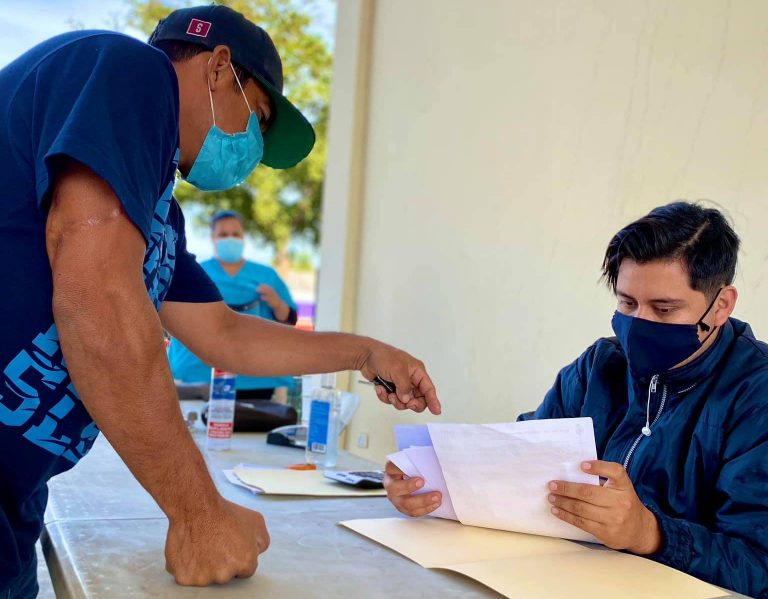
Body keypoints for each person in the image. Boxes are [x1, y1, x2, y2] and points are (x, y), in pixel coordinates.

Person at [0, 5, 440, 597]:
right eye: (255, 116)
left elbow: (221, 334)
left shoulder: (157, 215)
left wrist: (364, 353)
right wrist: (199, 514)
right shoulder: (125, 69)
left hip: (14, 503)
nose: (251, 149)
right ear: (218, 69)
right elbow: (97, 300)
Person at [383, 202, 768, 598]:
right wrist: (427, 480)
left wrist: (650, 533)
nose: (640, 324)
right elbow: (516, 460)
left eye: (664, 309)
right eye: (627, 303)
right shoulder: (600, 367)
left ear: (721, 305)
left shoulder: (756, 394)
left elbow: (760, 564)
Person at [169, 209, 298, 400]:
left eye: (235, 234)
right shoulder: (195, 272)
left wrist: (277, 303)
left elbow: (290, 320)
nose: (230, 239)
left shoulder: (266, 275)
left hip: (256, 378)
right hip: (200, 377)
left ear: (243, 237)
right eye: (223, 234)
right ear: (212, 238)